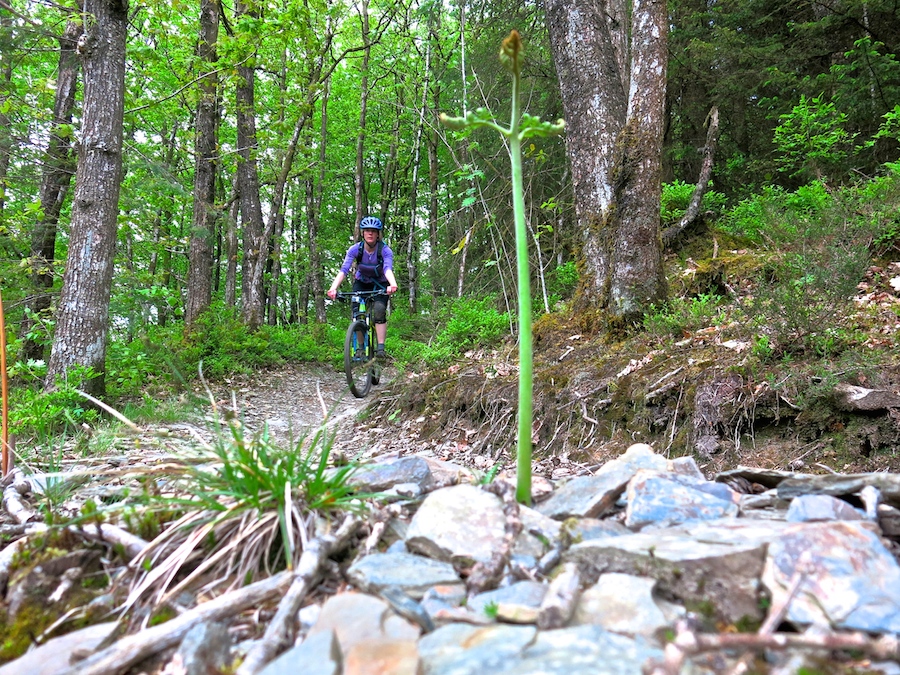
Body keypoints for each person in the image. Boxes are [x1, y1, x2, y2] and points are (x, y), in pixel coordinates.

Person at [327, 215, 398, 358]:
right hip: (361, 283)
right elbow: (344, 270)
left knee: (379, 310)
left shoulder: (385, 250)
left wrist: (392, 284)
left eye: (373, 231)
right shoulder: (355, 249)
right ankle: (360, 348)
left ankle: (381, 348)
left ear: (378, 234)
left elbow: (387, 268)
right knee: (358, 315)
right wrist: (333, 288)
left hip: (380, 284)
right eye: (367, 230)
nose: (370, 233)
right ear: (363, 233)